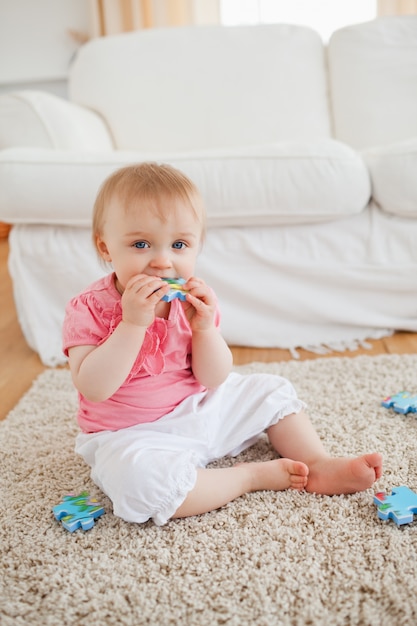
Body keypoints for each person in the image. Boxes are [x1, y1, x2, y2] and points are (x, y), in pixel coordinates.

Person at [62, 162, 383, 526]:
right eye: (140, 244)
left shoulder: (194, 299)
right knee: (142, 486)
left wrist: (204, 331)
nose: (162, 261)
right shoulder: (88, 308)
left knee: (270, 390)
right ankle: (248, 477)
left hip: (200, 408)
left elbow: (214, 378)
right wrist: (133, 323)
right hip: (132, 435)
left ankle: (318, 463)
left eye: (179, 244)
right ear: (105, 247)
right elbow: (93, 386)